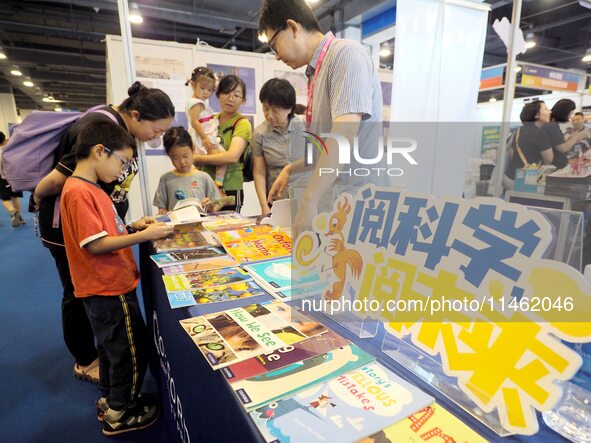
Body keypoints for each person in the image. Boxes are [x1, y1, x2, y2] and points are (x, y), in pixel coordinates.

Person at [34, 81, 174, 384]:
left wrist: (128, 225)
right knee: (78, 293)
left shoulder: (115, 133)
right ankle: (85, 360)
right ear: (136, 115)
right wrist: (37, 195)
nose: (156, 138)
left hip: (101, 227)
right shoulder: (99, 127)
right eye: (157, 130)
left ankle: (106, 354)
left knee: (91, 298)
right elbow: (59, 179)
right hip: (71, 229)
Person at [60, 120, 174, 435]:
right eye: (121, 162)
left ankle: (111, 398)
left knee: (112, 348)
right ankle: (120, 412)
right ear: (100, 151)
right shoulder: (82, 192)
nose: (122, 170)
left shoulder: (87, 188)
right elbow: (96, 244)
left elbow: (103, 229)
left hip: (103, 287)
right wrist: (145, 236)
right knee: (129, 349)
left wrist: (134, 225)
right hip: (108, 287)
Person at [258, 0, 383, 237]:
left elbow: (343, 136)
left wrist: (308, 200)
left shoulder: (345, 54)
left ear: (293, 27)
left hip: (358, 204)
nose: (276, 56)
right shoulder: (317, 70)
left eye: (274, 45)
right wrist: (290, 169)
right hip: (338, 204)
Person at [192, 74, 252, 211]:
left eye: (236, 95)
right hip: (205, 184)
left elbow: (232, 157)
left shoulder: (242, 123)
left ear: (243, 100)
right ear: (218, 95)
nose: (230, 99)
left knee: (228, 229)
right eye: (226, 93)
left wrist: (197, 158)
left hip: (229, 187)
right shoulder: (210, 120)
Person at [252, 78, 299, 215]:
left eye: (275, 110)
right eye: (266, 109)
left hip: (305, 198)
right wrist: (264, 205)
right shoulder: (259, 133)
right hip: (277, 201)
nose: (269, 115)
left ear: (289, 108)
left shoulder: (305, 127)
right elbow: (259, 172)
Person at [153, 126, 222, 213]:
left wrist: (211, 207)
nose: (182, 162)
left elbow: (217, 203)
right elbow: (162, 209)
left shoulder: (204, 177)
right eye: (175, 158)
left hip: (200, 224)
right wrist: (163, 213)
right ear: (168, 155)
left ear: (192, 149)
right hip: (176, 225)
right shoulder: (165, 179)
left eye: (185, 156)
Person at [185, 67, 227, 187]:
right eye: (202, 88)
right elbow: (195, 122)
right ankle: (218, 184)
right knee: (223, 159)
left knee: (200, 165)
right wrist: (204, 138)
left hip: (206, 135)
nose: (206, 92)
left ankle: (198, 186)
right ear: (193, 84)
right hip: (205, 137)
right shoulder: (196, 103)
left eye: (210, 90)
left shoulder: (197, 101)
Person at [503, 100, 553, 190]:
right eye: (546, 109)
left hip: (509, 177)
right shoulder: (541, 133)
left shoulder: (518, 131)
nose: (549, 112)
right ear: (536, 115)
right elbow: (549, 160)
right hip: (526, 180)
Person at [544, 99, 590, 169]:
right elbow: (562, 148)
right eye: (570, 115)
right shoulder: (552, 126)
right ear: (565, 113)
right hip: (556, 167)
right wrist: (577, 136)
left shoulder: (555, 126)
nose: (570, 118)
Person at [0, 131, 25, 227]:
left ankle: (13, 211)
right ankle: (20, 217)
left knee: (5, 199)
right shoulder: (8, 150)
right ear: (4, 139)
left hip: (2, 178)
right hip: (13, 177)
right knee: (15, 197)